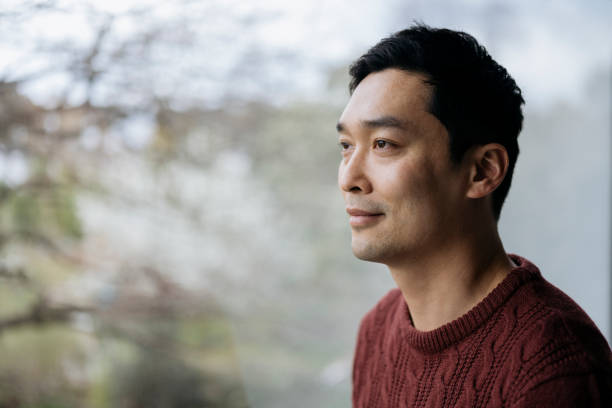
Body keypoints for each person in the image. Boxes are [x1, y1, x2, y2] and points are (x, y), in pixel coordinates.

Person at [336, 24, 612, 407]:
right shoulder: (377, 330)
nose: (348, 178)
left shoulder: (554, 365)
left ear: (482, 171)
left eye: (384, 144)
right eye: (346, 146)